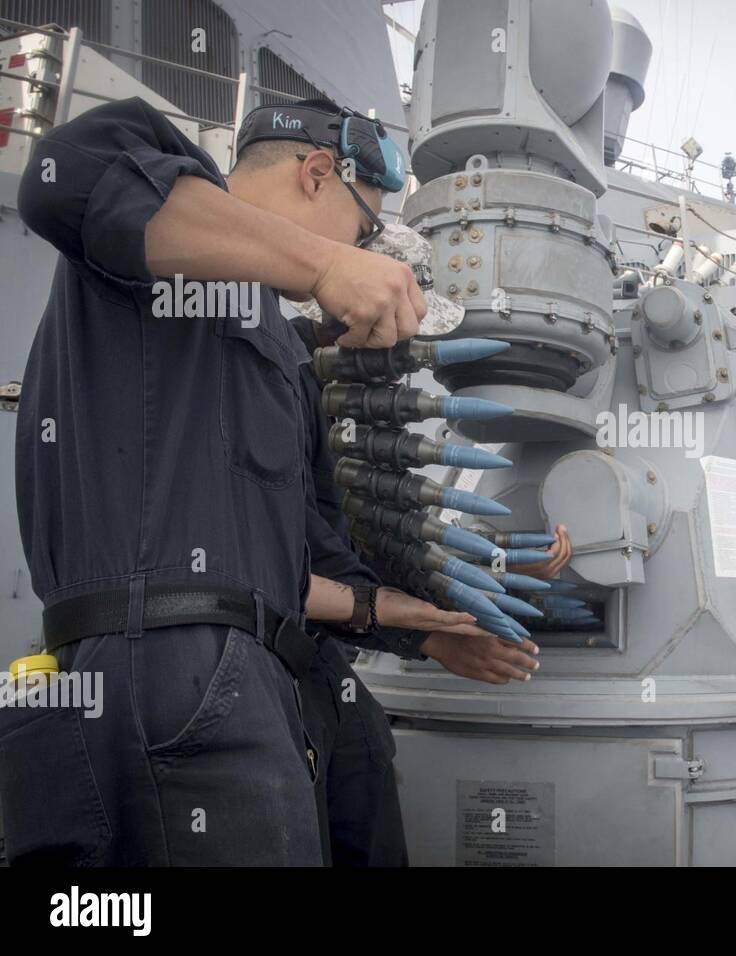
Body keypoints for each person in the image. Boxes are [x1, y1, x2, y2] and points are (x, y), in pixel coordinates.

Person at [0, 95, 469, 866]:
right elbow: (59, 179)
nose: (362, 250)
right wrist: (324, 263)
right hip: (164, 665)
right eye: (363, 228)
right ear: (318, 173)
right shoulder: (155, 211)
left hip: (251, 674)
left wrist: (423, 625)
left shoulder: (279, 349)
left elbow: (312, 552)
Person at [287, 310, 552, 865]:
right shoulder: (287, 378)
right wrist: (429, 639)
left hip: (317, 662)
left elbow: (362, 541)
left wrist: (501, 569)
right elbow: (301, 556)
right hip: (275, 666)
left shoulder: (318, 388)